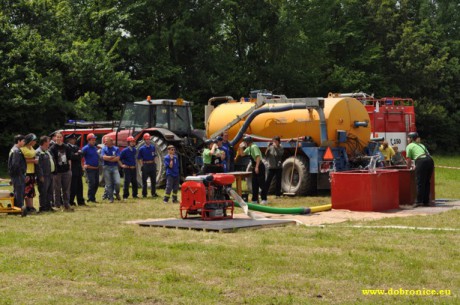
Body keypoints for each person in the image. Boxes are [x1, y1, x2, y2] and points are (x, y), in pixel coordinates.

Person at [406, 132, 435, 207]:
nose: (407, 139)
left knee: (420, 182)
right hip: (430, 160)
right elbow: (427, 154)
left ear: (411, 139)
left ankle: (419, 202)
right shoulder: (421, 145)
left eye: (408, 138)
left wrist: (408, 168)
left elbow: (408, 159)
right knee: (427, 182)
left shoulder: (409, 146)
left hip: (421, 161)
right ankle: (426, 201)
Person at [238, 136, 268, 204]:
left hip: (259, 166)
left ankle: (264, 199)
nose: (244, 143)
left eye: (245, 142)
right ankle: (254, 200)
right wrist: (240, 147)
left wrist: (257, 167)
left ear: (248, 142)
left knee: (261, 183)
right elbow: (242, 154)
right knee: (254, 183)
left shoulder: (254, 147)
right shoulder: (249, 148)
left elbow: (258, 157)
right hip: (254, 166)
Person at [49, 132, 74, 211]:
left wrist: (70, 170)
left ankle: (66, 204)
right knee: (56, 189)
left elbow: (69, 159)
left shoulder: (67, 147)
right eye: (57, 137)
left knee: (66, 189)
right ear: (55, 138)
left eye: (60, 137)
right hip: (57, 172)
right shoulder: (52, 148)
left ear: (62, 138)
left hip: (66, 171)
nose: (59, 138)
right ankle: (57, 205)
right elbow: (52, 160)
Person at [8, 134, 27, 216]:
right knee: (19, 192)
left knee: (17, 192)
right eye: (23, 141)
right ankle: (19, 209)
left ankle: (15, 209)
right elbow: (15, 165)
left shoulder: (15, 150)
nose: (24, 142)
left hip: (17, 175)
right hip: (18, 175)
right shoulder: (16, 151)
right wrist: (20, 174)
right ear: (19, 141)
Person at [36, 136, 56, 212]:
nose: (50, 142)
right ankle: (43, 207)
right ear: (44, 142)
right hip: (44, 175)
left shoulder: (48, 151)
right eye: (48, 141)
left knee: (50, 191)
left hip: (50, 174)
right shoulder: (38, 152)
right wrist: (40, 176)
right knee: (43, 191)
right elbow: (38, 166)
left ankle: (48, 206)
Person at [21, 133, 38, 214]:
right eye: (34, 140)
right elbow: (23, 160)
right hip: (26, 172)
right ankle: (28, 207)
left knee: (31, 190)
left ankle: (31, 206)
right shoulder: (23, 149)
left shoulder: (31, 148)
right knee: (27, 190)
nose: (35, 142)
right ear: (30, 141)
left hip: (32, 171)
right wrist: (33, 161)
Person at [137, 133, 159, 198]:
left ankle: (153, 193)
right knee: (144, 180)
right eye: (147, 139)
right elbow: (139, 158)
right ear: (144, 140)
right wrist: (142, 165)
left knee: (153, 180)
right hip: (145, 165)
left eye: (149, 139)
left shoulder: (153, 147)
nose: (148, 140)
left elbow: (155, 156)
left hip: (152, 165)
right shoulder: (141, 149)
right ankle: (144, 194)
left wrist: (156, 165)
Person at [67, 134, 86, 206]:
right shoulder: (68, 147)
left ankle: (80, 201)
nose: (74, 140)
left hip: (78, 169)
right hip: (73, 169)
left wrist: (77, 154)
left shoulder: (76, 147)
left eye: (74, 139)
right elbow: (71, 156)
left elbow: (82, 154)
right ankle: (71, 201)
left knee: (79, 186)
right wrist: (77, 154)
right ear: (69, 140)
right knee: (73, 187)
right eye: (72, 139)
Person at [100, 136, 121, 203]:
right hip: (106, 167)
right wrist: (112, 157)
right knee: (108, 184)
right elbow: (103, 157)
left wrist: (108, 158)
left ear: (111, 141)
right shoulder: (103, 149)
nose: (105, 142)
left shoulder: (116, 148)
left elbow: (117, 158)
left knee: (117, 182)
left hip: (115, 168)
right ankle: (111, 198)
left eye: (106, 141)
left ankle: (116, 193)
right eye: (105, 141)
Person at [82, 133, 99, 203]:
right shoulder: (85, 148)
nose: (94, 141)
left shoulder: (95, 148)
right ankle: (90, 198)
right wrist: (83, 166)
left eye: (94, 140)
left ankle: (93, 197)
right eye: (92, 140)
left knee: (96, 183)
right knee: (91, 183)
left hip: (96, 168)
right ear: (88, 140)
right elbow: (80, 157)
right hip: (89, 168)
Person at [120, 136, 138, 200]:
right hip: (127, 168)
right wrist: (122, 165)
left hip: (133, 168)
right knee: (127, 182)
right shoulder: (124, 151)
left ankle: (135, 194)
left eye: (134, 142)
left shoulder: (134, 150)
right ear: (128, 143)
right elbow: (119, 158)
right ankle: (125, 196)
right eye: (132, 142)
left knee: (134, 181)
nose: (133, 143)